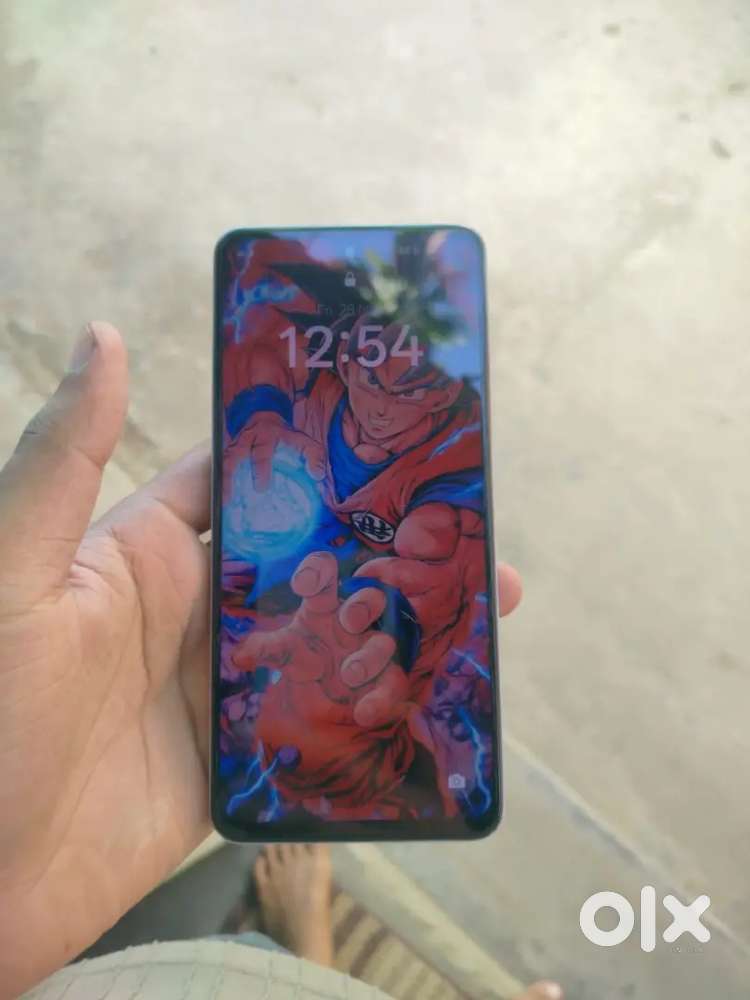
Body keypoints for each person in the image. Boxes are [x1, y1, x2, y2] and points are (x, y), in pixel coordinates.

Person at [0, 321, 562, 1000]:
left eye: (412, 390)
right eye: (374, 379)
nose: (386, 406)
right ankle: (306, 943)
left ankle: (304, 942)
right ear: (346, 365)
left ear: (440, 399)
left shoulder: (439, 481)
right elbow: (263, 382)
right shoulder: (293, 411)